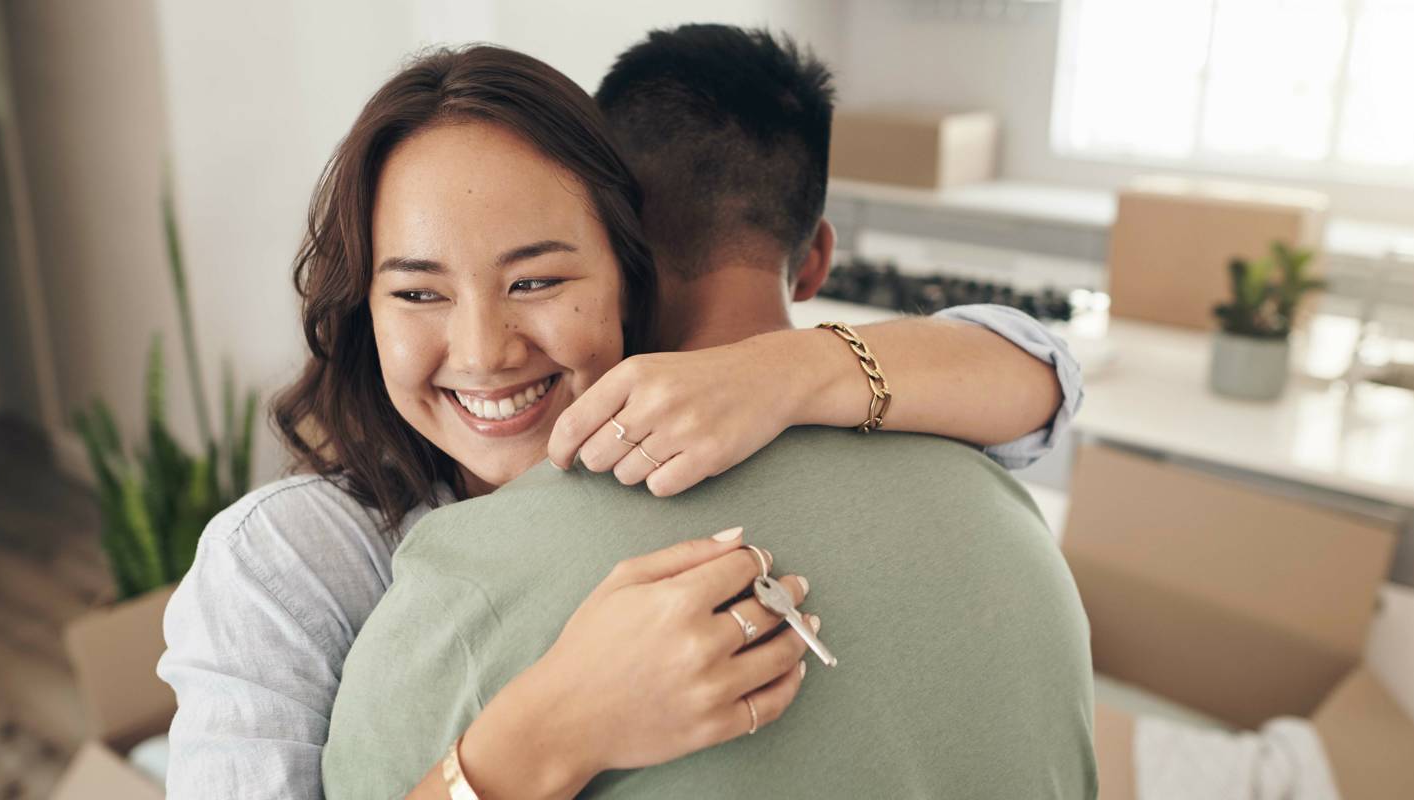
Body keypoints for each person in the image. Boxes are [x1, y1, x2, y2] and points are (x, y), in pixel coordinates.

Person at [158, 39, 1083, 800]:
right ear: (365, 308)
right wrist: (547, 735)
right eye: (416, 291)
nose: (482, 352)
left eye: (537, 280)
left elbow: (1042, 379)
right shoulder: (286, 562)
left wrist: (788, 371)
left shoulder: (707, 451)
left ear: (632, 273)